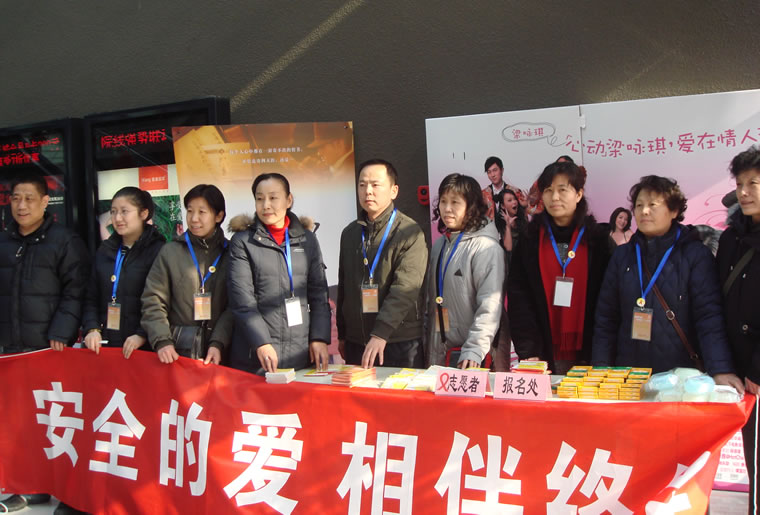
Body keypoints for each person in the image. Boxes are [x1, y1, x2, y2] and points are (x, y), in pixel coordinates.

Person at [593, 176, 743, 389]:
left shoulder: (695, 255)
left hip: (680, 380)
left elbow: (708, 317)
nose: (644, 211)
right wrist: (600, 368)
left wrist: (720, 369)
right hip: (628, 378)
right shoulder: (622, 256)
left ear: (674, 211)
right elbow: (606, 318)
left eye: (653, 205)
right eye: (639, 205)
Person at [0, 174, 90, 513]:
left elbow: (76, 291)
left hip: (49, 349)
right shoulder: (3, 241)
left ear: (44, 202)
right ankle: (26, 487)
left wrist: (62, 331)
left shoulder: (65, 241)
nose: (21, 205)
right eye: (16, 198)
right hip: (10, 349)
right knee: (18, 421)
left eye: (29, 198)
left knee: (56, 422)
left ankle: (65, 489)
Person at [507, 161, 611, 375]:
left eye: (562, 190)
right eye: (548, 190)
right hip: (542, 352)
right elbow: (520, 299)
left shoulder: (598, 241)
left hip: (591, 352)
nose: (554, 197)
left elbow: (610, 303)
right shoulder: (529, 240)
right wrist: (529, 350)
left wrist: (601, 353)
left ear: (579, 194)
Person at [227, 173, 331, 375]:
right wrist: (261, 342)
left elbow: (319, 294)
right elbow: (242, 301)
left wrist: (319, 337)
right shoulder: (243, 242)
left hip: (300, 353)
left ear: (288, 200)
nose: (266, 205)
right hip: (257, 357)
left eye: (273, 198)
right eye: (260, 198)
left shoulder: (307, 240)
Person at [337, 159, 428, 369]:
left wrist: (380, 333)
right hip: (356, 342)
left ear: (394, 190)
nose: (368, 191)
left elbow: (405, 289)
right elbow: (344, 287)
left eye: (375, 184)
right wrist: (343, 334)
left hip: (398, 341)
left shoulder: (409, 232)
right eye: (362, 185)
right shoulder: (350, 233)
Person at [141, 184, 232, 365]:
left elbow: (234, 306)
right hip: (177, 352)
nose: (194, 218)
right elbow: (153, 299)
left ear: (219, 216)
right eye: (190, 211)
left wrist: (218, 342)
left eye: (202, 212)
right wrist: (162, 340)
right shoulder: (171, 252)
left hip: (221, 354)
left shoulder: (231, 253)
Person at [716, 147, 760, 512]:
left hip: (757, 371)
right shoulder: (731, 238)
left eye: (753, 184)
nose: (743, 192)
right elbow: (718, 300)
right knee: (753, 459)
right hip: (739, 370)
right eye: (740, 184)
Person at [426, 174, 505, 368]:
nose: (447, 208)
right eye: (443, 201)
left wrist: (475, 348)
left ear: (471, 207)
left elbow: (490, 304)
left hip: (474, 358)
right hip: (441, 352)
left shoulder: (486, 247)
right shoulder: (440, 245)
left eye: (455, 202)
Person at [82, 187, 165, 358]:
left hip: (144, 350)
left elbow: (164, 302)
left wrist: (142, 334)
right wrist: (92, 328)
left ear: (143, 214)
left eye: (124, 211)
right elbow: (91, 298)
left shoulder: (159, 251)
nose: (117, 218)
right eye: (113, 212)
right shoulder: (105, 251)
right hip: (105, 347)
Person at [482, 156, 527, 241]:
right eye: (489, 172)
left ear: (502, 170)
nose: (492, 175)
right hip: (490, 239)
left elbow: (524, 219)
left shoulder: (515, 192)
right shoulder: (483, 195)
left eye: (495, 170)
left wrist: (514, 225)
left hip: (513, 239)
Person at [500, 188, 528, 260]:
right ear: (503, 206)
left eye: (515, 199)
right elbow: (508, 248)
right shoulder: (500, 223)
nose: (514, 202)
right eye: (510, 200)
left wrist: (527, 206)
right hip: (510, 261)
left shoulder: (521, 218)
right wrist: (508, 227)